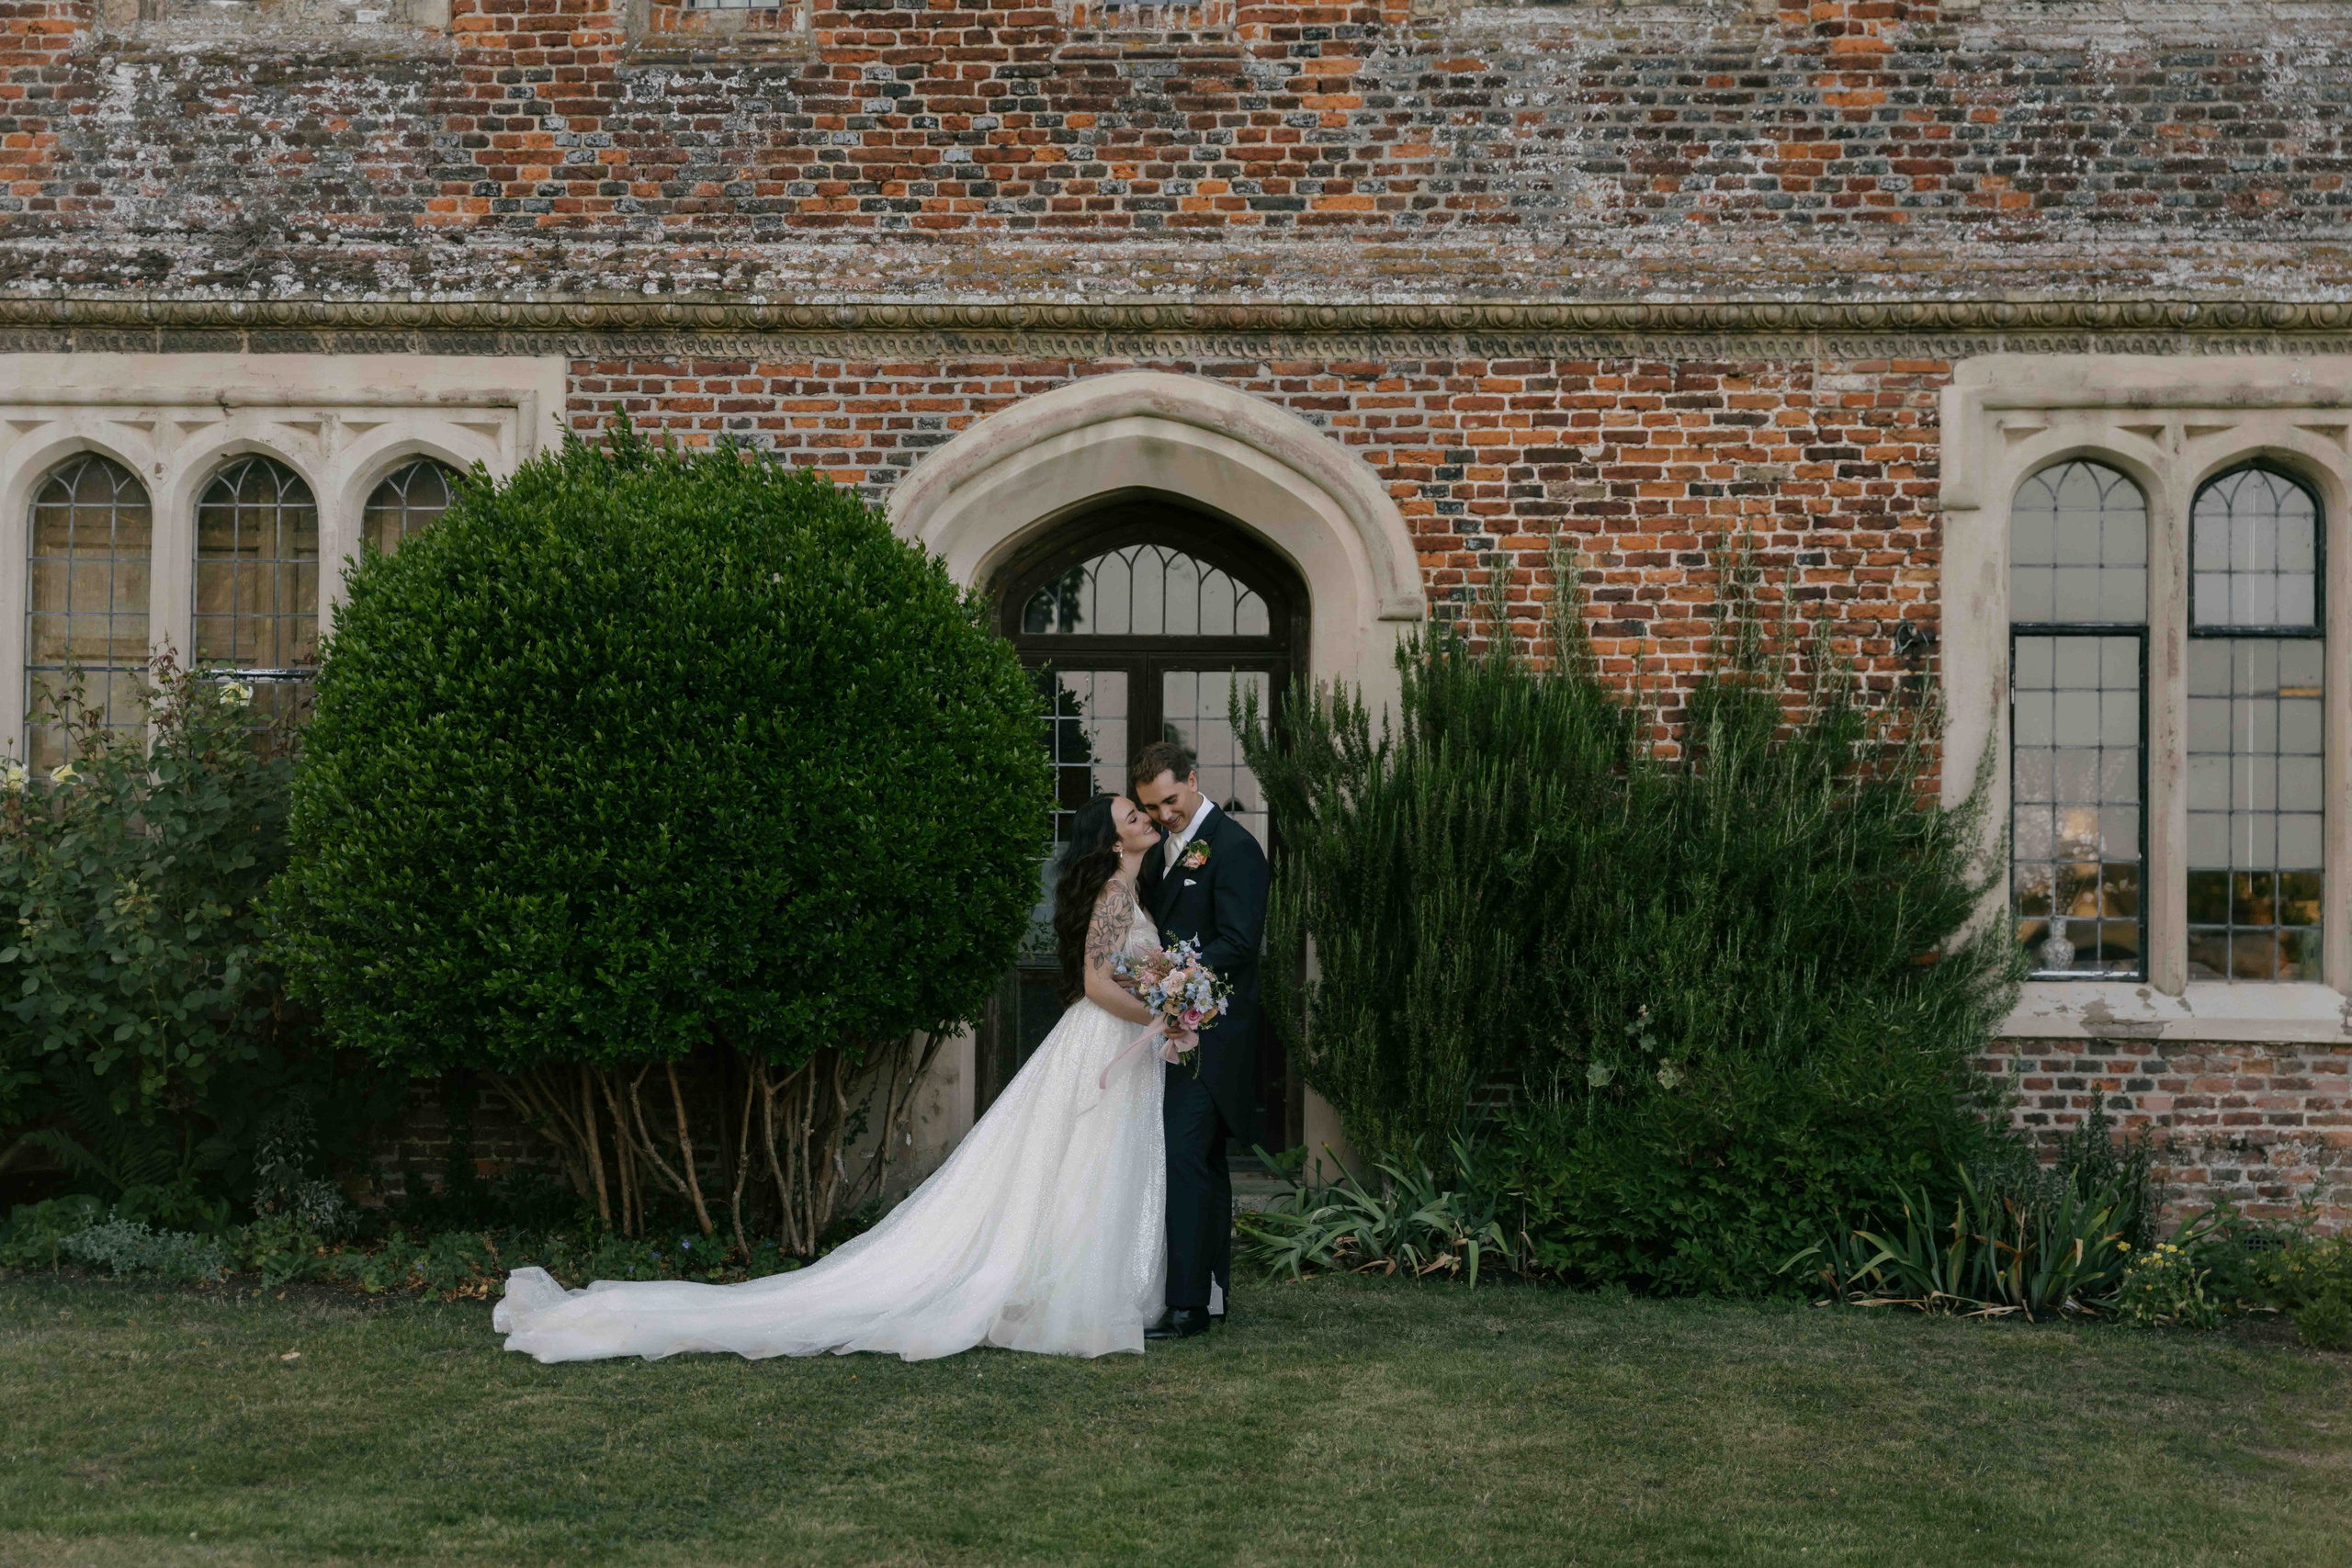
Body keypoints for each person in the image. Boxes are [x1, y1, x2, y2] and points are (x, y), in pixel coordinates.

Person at [492, 793, 1176, 1362]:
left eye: (1142, 811)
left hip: (1117, 1042)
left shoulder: (1126, 890)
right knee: (1084, 1160)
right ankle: (1068, 1293)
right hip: (1102, 1042)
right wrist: (1160, 1007)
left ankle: (1072, 1285)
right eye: (1129, 814)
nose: (1143, 816)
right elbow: (1094, 983)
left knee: (1084, 1166)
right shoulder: (1115, 894)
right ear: (1112, 842)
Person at [1129, 740, 1270, 1341]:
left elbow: (1239, 942)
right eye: (1151, 807)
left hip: (1213, 1035)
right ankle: (1208, 1294)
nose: (1163, 814)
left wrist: (1174, 978)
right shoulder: (1165, 852)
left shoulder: (1236, 848)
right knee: (1201, 1163)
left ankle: (1186, 1305)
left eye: (1169, 800)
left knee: (1187, 1158)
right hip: (1174, 1033)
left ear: (1192, 778)